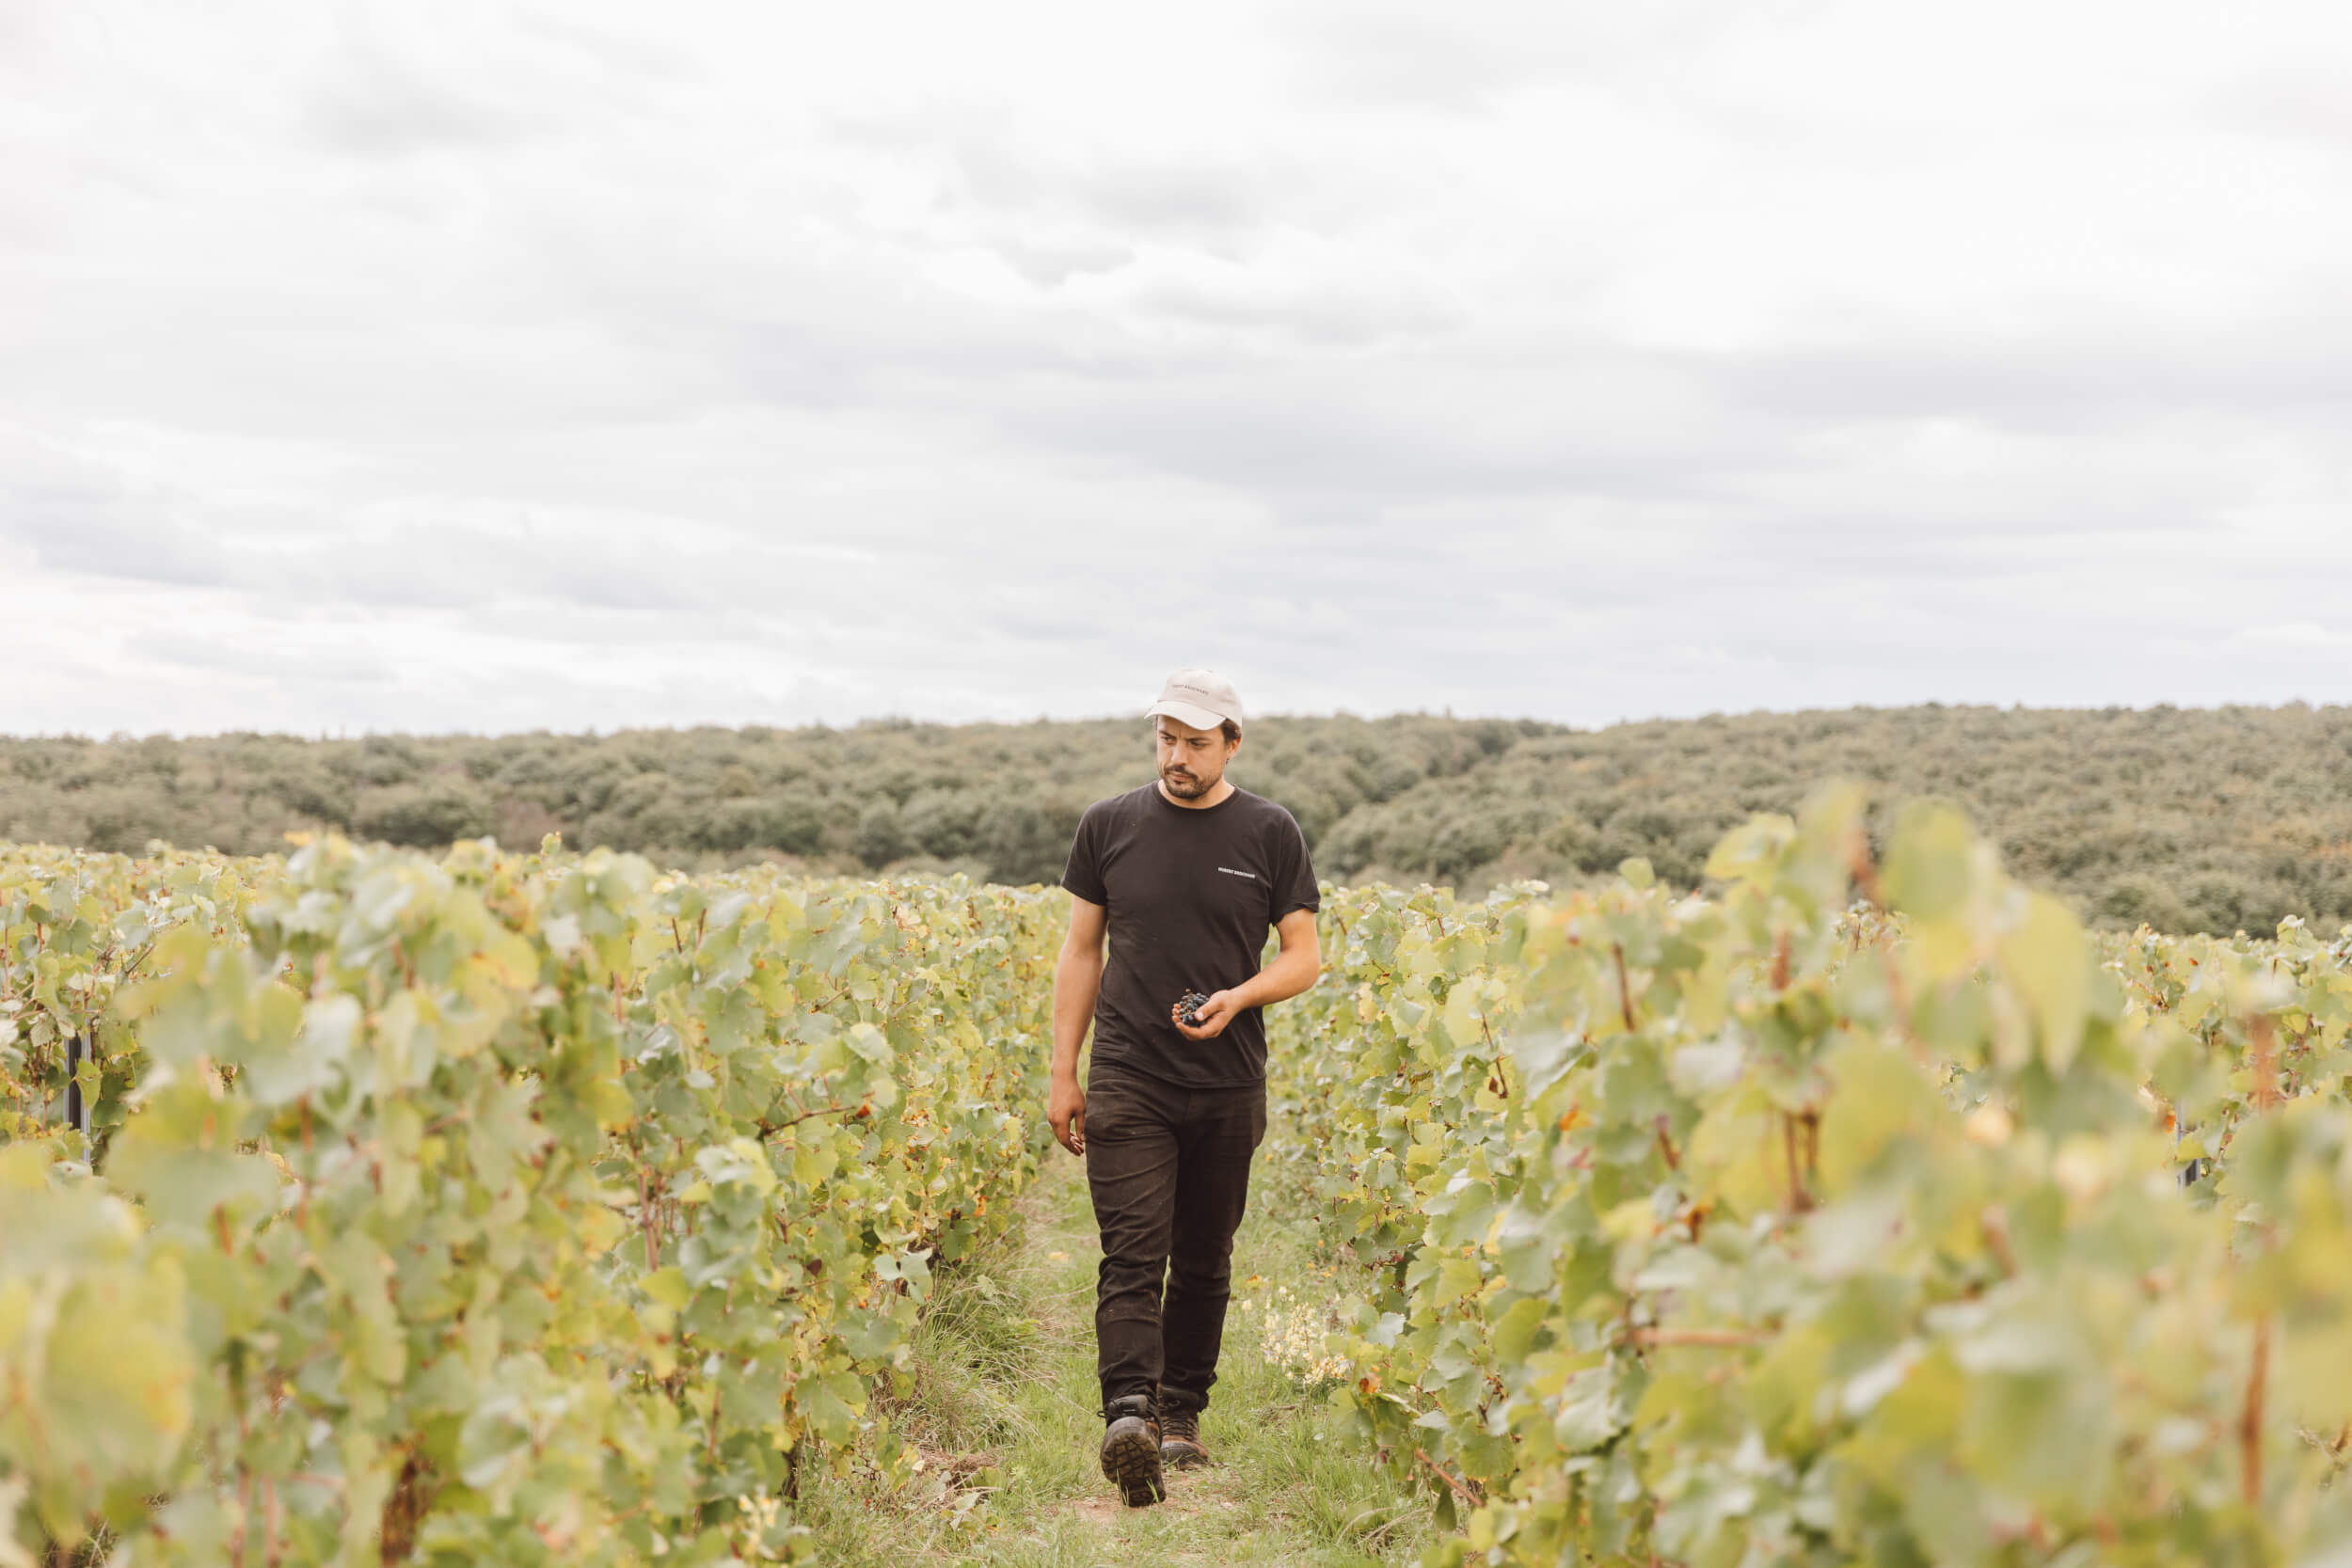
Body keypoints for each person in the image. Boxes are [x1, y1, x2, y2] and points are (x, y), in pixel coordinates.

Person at [1049, 669, 1324, 1507]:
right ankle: (1127, 1415)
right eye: (1166, 738)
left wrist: (1240, 995)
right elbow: (1082, 951)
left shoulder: (1271, 832)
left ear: (1232, 743)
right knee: (1133, 1250)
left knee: (1205, 1256)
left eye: (1196, 743)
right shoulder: (1109, 826)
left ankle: (1182, 1417)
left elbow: (1304, 956)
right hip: (1129, 1071)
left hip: (1230, 1079)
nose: (1177, 755)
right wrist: (1064, 1069)